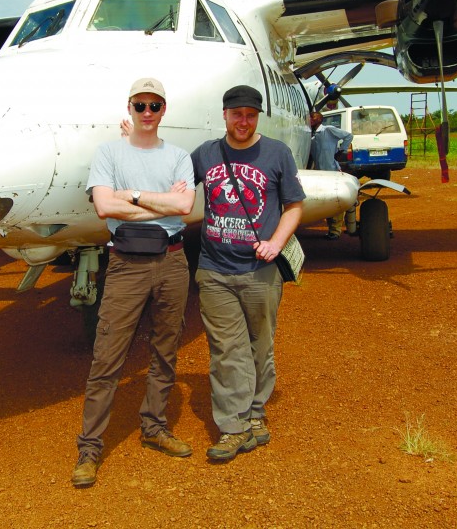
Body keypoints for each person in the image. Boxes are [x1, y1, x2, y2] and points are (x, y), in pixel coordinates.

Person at [71, 77, 196, 489]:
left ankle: (154, 427)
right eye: (139, 105)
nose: (147, 113)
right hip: (126, 265)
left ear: (164, 110)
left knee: (165, 350)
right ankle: (90, 448)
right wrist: (160, 204)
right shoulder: (108, 153)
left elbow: (185, 207)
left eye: (154, 106)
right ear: (129, 108)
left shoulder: (179, 156)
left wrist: (135, 197)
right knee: (107, 356)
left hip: (174, 262)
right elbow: (106, 206)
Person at [190, 85, 305, 461]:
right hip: (214, 269)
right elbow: (171, 179)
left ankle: (256, 410)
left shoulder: (277, 153)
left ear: (258, 117)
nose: (243, 121)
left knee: (260, 344)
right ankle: (234, 426)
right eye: (236, 114)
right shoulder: (206, 154)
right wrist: (134, 145)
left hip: (261, 271)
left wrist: (275, 242)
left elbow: (293, 206)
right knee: (227, 349)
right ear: (224, 115)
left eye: (250, 115)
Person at [309, 112, 354, 239]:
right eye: (310, 117)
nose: (311, 119)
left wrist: (341, 150)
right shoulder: (311, 136)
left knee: (335, 200)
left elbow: (348, 136)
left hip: (332, 172)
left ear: (320, 119)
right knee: (326, 201)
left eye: (314, 117)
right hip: (320, 174)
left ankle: (335, 230)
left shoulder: (328, 130)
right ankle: (332, 229)